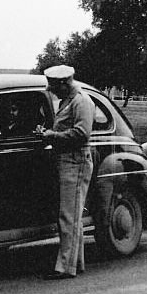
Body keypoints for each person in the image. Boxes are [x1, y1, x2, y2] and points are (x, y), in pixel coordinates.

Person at [37, 65, 95, 279]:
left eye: (53, 86)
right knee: (73, 216)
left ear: (64, 83)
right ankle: (75, 263)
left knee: (68, 216)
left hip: (75, 159)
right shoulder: (70, 100)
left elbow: (81, 134)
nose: (51, 90)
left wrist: (51, 136)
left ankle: (65, 267)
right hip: (69, 159)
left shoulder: (81, 101)